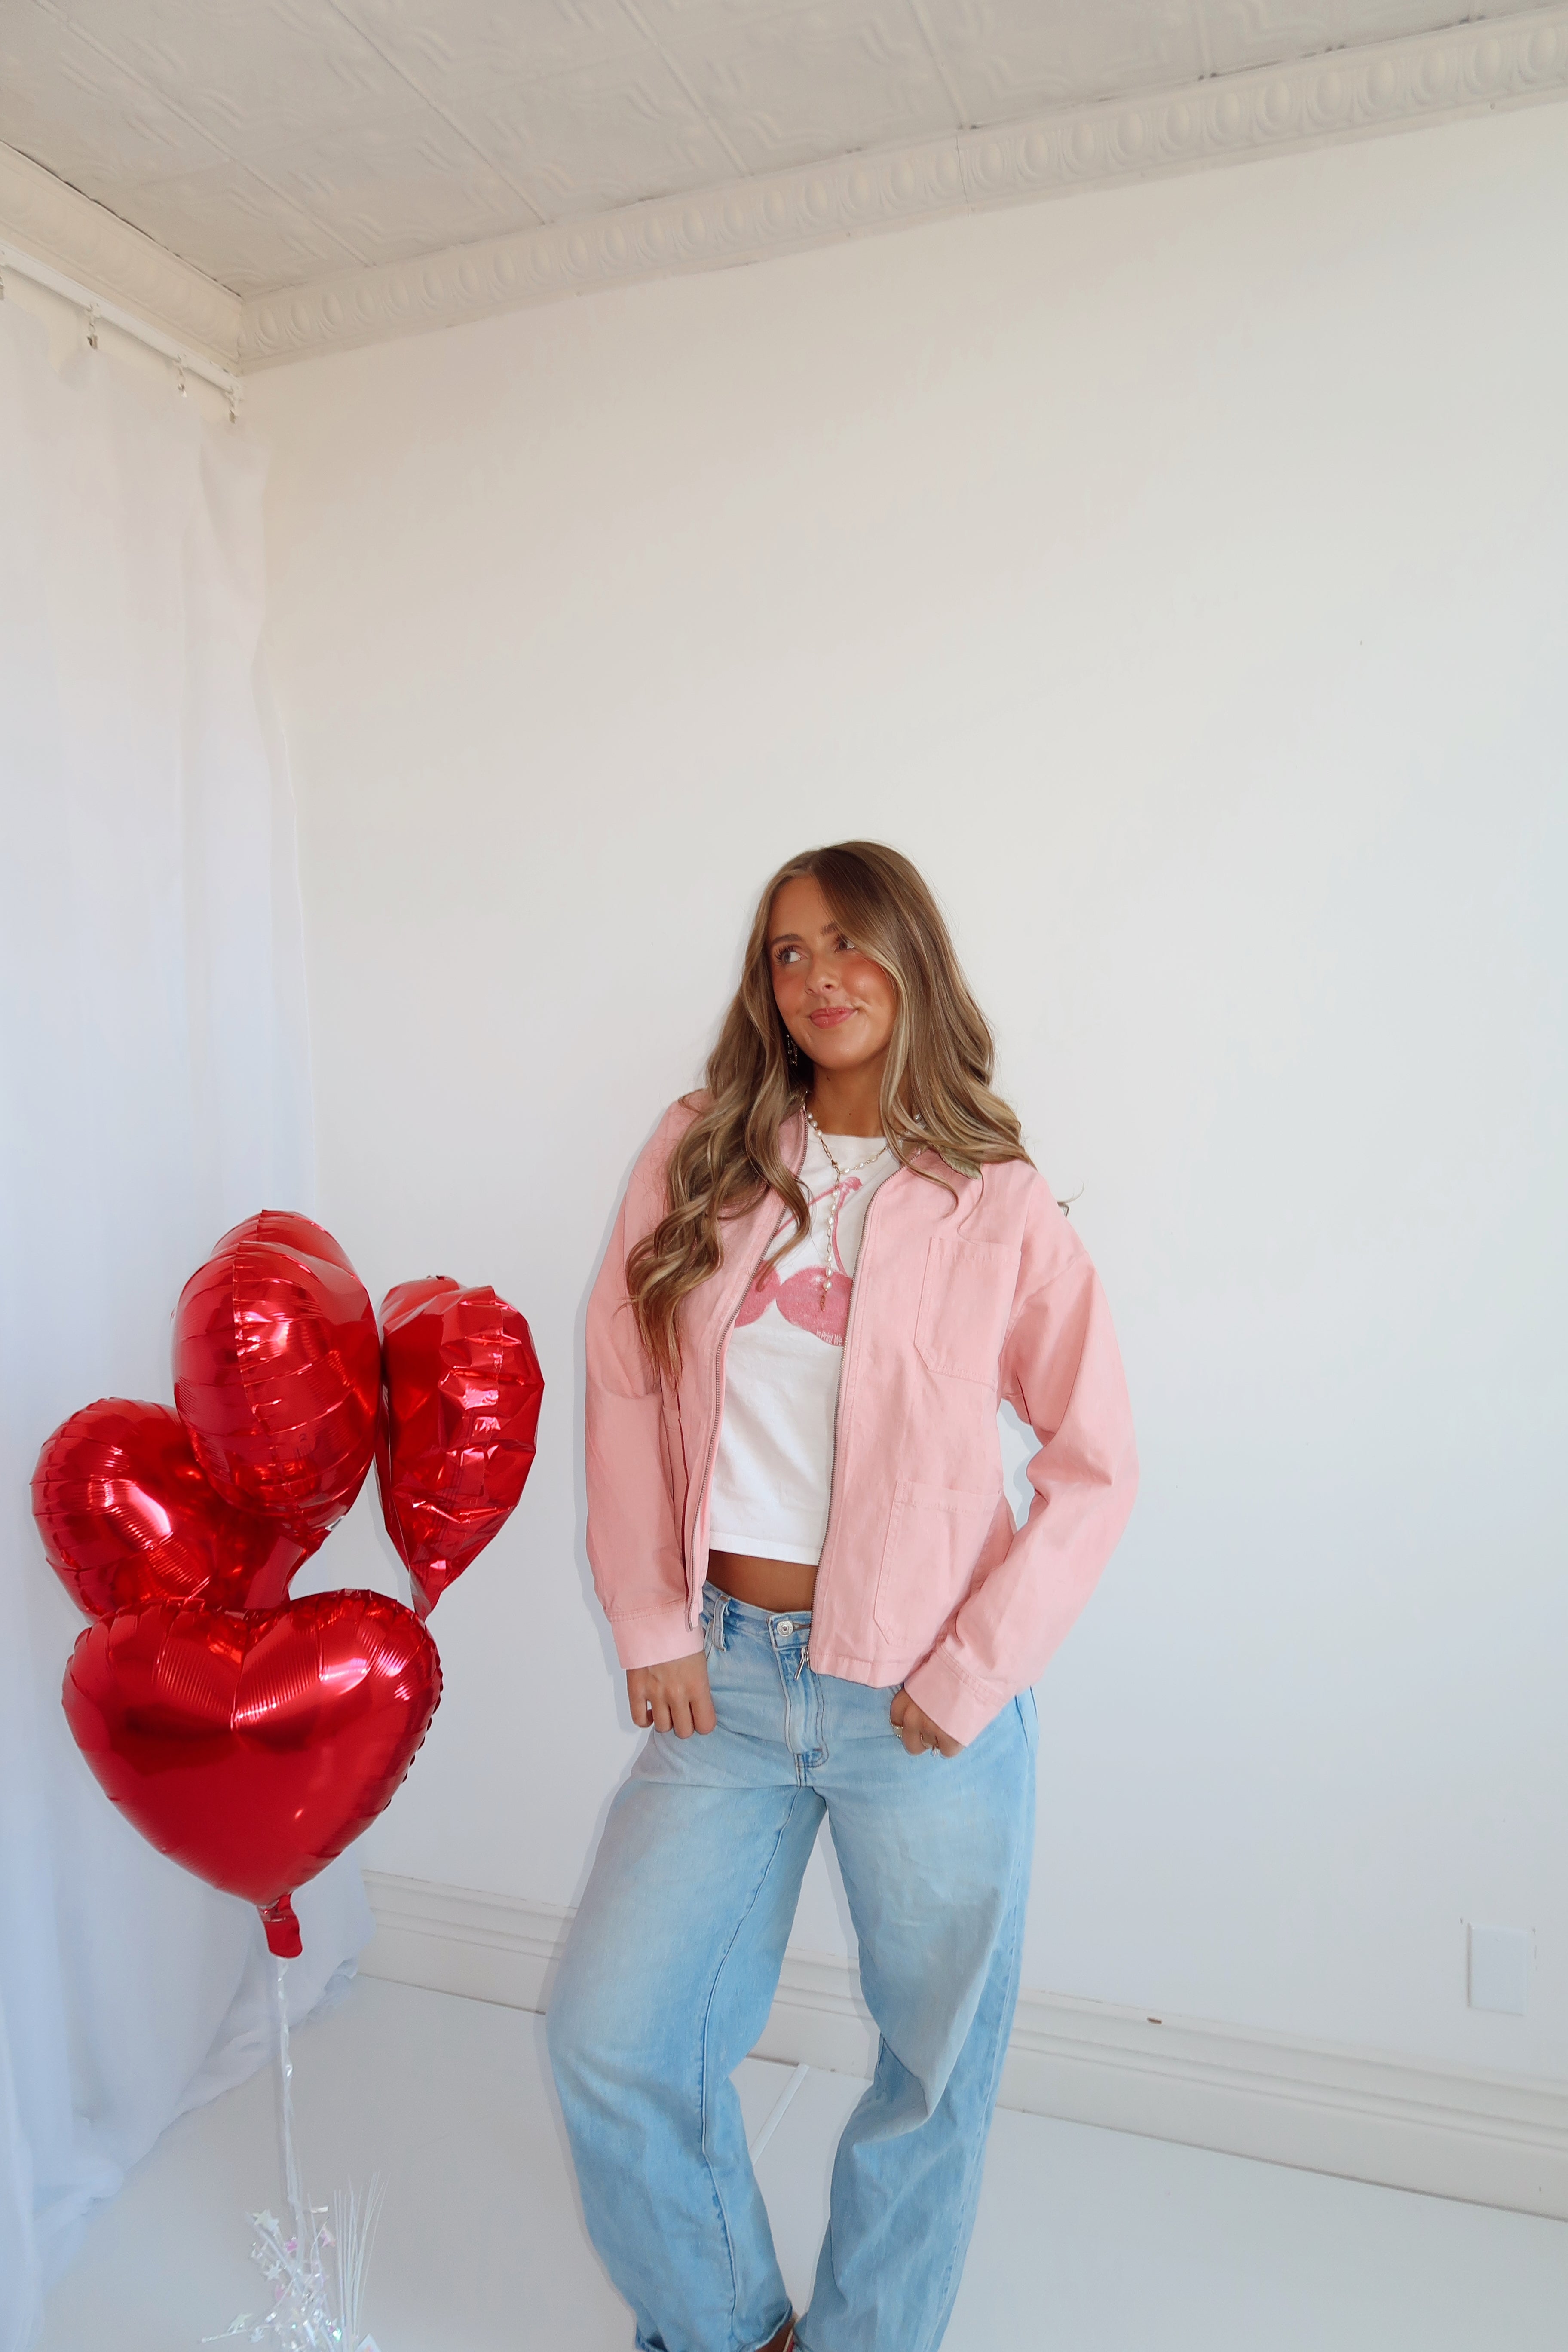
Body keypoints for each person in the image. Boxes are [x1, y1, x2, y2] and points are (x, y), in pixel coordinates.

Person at [548, 841, 1137, 2352]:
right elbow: (623, 1382)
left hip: (920, 1703)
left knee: (931, 2076)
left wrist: (970, 1672)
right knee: (613, 2037)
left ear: (911, 958)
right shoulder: (704, 1152)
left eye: (849, 941)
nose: (819, 976)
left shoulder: (995, 1202)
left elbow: (1095, 1463)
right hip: (724, 1685)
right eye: (789, 951)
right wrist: (652, 1621)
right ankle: (734, 2331)